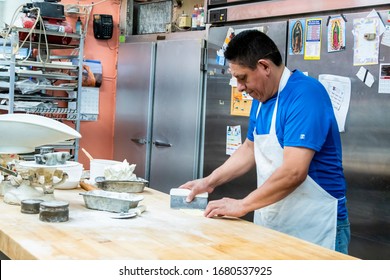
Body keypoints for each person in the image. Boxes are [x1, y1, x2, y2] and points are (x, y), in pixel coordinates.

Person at [179, 30, 350, 254]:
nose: (240, 87)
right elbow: (249, 148)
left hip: (315, 227)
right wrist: (210, 181)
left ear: (265, 67)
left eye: (242, 77)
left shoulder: (305, 95)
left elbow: (293, 172)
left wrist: (242, 205)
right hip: (274, 221)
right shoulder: (262, 99)